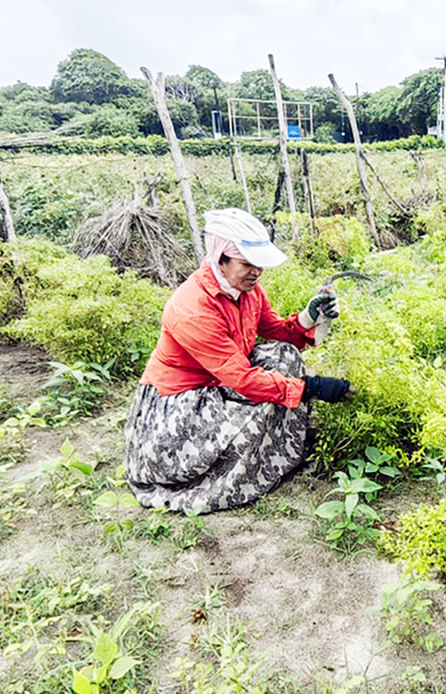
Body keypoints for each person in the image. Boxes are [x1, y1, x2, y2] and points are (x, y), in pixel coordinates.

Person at [124, 208, 352, 513]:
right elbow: (241, 379)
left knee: (284, 356)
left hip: (221, 380)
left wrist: (309, 317)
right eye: (246, 264)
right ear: (221, 258)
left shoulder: (249, 291)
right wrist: (310, 387)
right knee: (254, 417)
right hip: (182, 402)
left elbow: (276, 332)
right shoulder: (193, 306)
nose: (255, 272)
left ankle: (284, 443)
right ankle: (247, 460)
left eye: (259, 265)